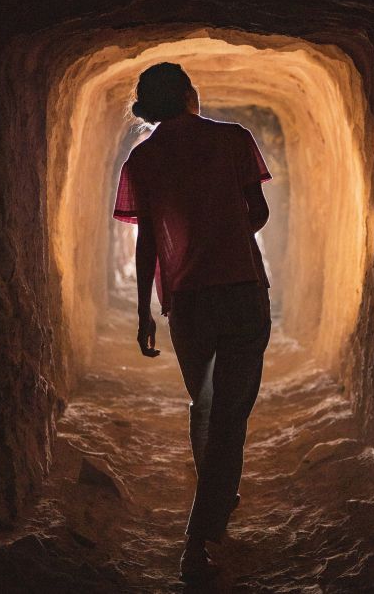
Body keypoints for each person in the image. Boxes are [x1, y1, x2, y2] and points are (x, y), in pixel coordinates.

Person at [112, 62, 273, 583]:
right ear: (187, 95)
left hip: (188, 301)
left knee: (206, 409)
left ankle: (218, 502)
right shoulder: (233, 140)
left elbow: (147, 243)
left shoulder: (143, 159)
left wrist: (143, 311)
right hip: (243, 293)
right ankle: (199, 539)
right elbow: (258, 211)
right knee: (229, 416)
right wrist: (225, 228)